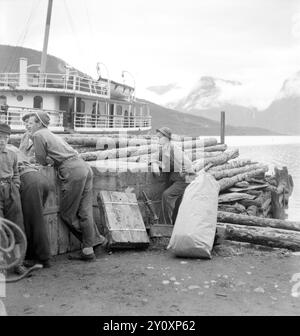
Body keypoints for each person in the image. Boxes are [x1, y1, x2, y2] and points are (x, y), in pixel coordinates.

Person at [26, 111, 99, 261]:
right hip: (84, 167)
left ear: (39, 124)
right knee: (85, 211)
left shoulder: (38, 135)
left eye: (31, 122)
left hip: (72, 170)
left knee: (67, 213)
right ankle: (88, 249)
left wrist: (46, 160)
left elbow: (40, 161)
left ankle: (94, 241)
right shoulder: (51, 134)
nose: (28, 125)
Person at [7, 144, 51, 268]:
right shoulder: (11, 147)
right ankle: (32, 256)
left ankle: (43, 258)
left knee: (34, 221)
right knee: (30, 220)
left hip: (28, 181)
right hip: (39, 178)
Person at [151, 127, 195, 225]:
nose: (157, 140)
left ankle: (164, 224)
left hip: (185, 179)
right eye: (157, 138)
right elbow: (154, 157)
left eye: (159, 137)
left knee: (167, 195)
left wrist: (184, 173)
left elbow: (187, 164)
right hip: (175, 179)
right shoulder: (163, 148)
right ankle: (173, 225)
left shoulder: (174, 149)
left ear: (166, 138)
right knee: (176, 202)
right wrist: (154, 164)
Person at [0, 123, 26, 274]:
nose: (1, 140)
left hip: (11, 191)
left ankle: (18, 263)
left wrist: (16, 184)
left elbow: (16, 172)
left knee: (17, 226)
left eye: (5, 137)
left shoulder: (12, 154)